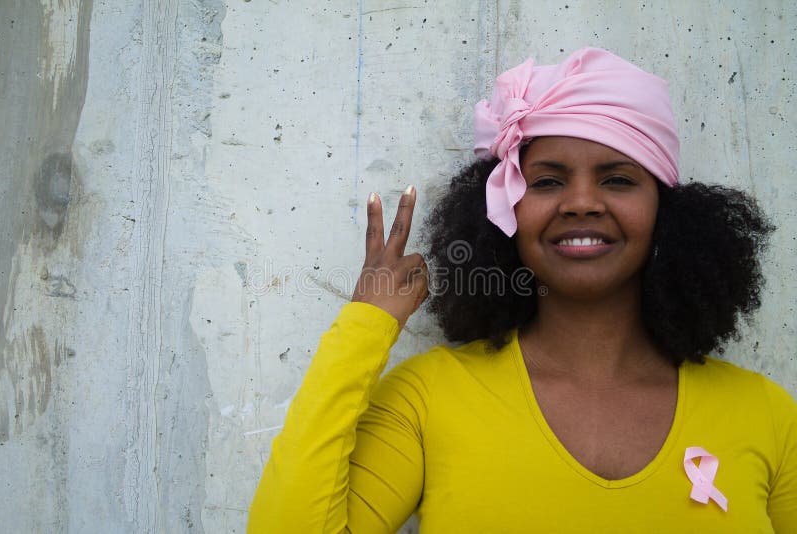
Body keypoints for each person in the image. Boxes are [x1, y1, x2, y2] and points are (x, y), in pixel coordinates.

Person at [247, 48, 796, 532]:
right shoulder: (427, 398)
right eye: (547, 181)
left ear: (669, 215)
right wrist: (366, 325)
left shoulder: (766, 414)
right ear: (501, 212)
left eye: (618, 179)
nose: (581, 202)